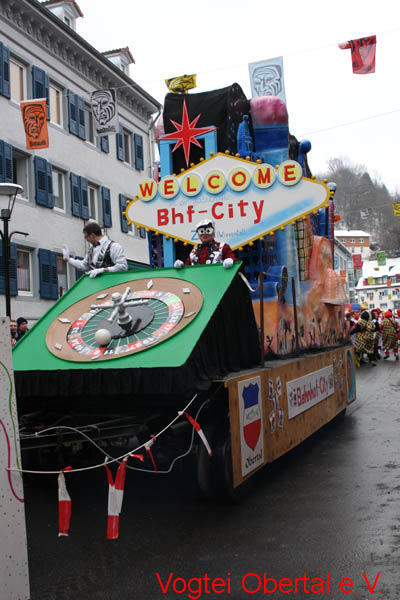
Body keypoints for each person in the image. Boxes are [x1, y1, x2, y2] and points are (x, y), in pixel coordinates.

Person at [63, 221, 128, 278]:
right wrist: (68, 259)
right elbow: (84, 266)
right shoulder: (91, 250)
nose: (86, 240)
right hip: (97, 287)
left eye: (86, 237)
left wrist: (103, 270)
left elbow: (123, 267)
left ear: (92, 235)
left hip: (113, 284)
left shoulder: (114, 246)